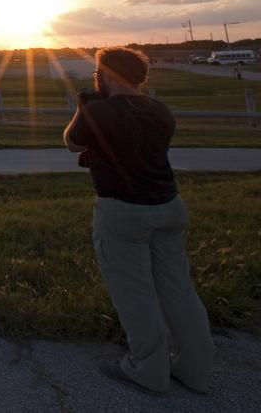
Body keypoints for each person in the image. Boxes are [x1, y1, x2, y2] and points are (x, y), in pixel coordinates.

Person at [62, 47, 213, 395]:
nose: (94, 78)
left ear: (110, 76)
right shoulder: (161, 111)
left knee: (135, 293)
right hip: (169, 206)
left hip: (122, 211)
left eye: (98, 73)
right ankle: (195, 369)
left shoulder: (97, 110)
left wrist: (82, 108)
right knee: (179, 290)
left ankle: (148, 370)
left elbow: (71, 143)